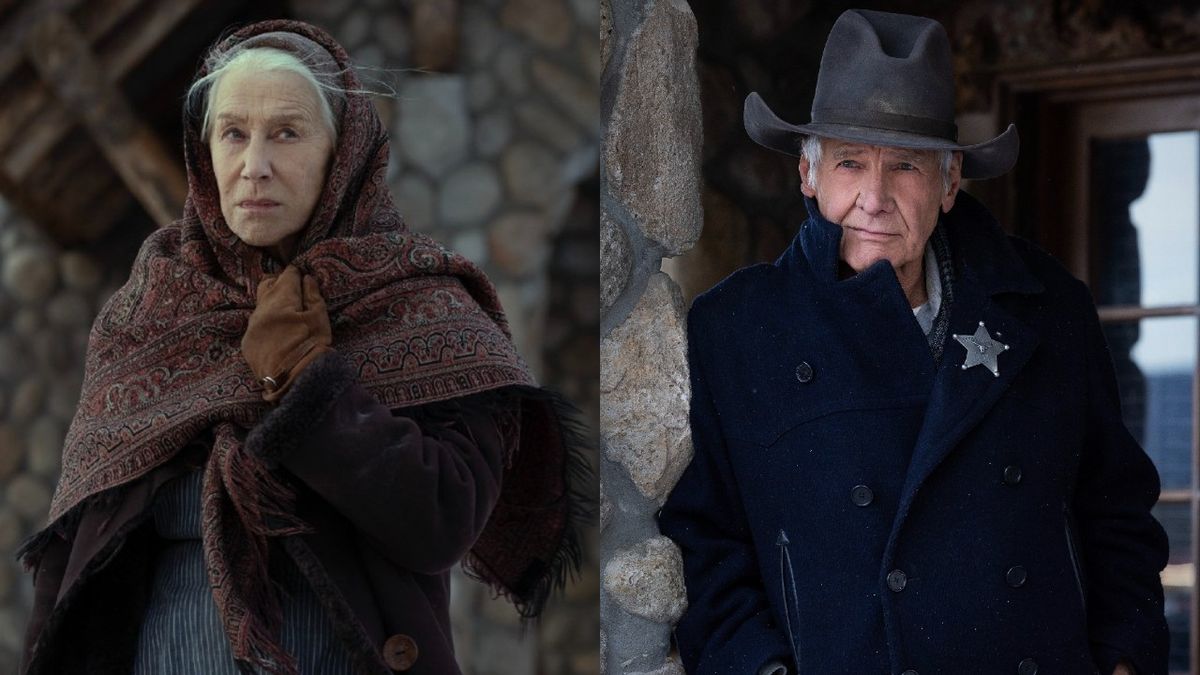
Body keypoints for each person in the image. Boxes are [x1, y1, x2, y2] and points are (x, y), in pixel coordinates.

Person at [18, 20, 588, 675]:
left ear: (342, 151)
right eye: (233, 133)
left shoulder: (425, 307)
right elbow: (70, 558)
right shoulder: (144, 313)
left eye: (286, 133)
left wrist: (310, 383)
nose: (254, 165)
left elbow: (439, 522)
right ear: (204, 153)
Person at [659, 9, 1167, 675]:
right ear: (808, 177)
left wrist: (1124, 662)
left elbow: (1117, 515)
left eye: (904, 166)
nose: (874, 196)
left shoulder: (1050, 311)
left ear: (950, 182)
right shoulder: (737, 330)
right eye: (849, 163)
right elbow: (708, 545)